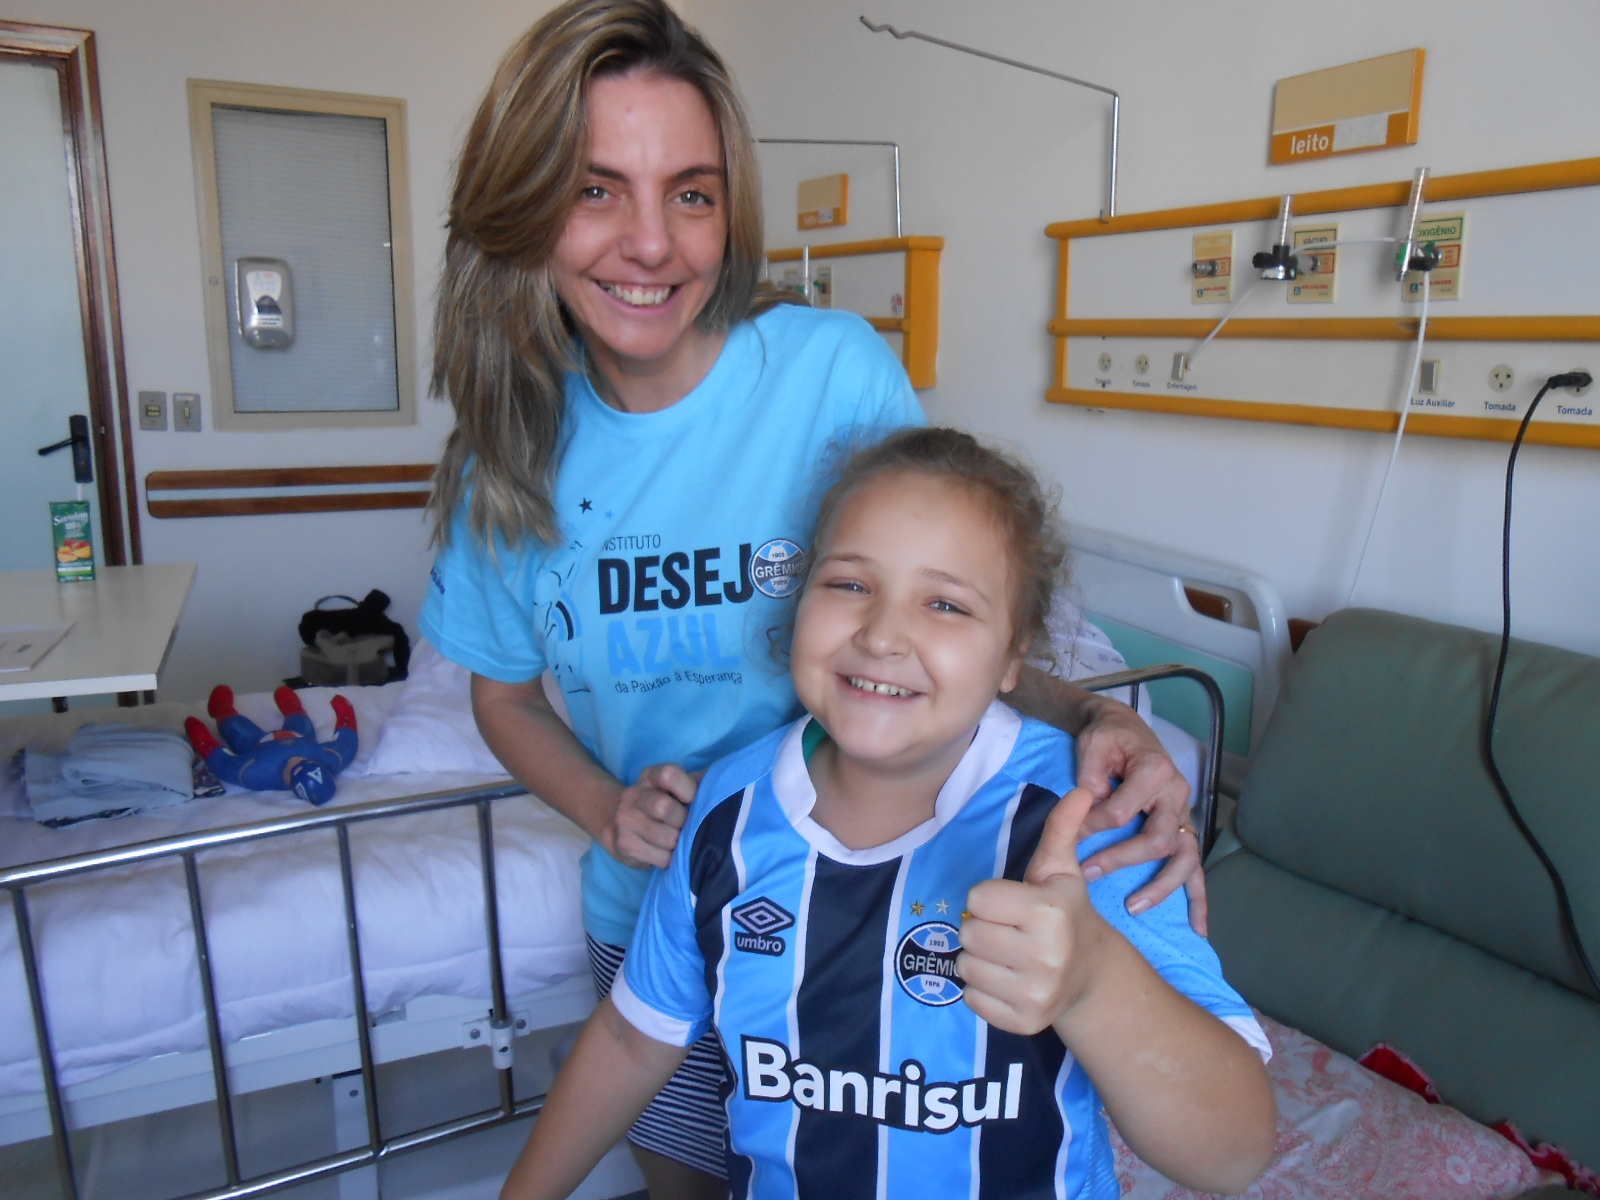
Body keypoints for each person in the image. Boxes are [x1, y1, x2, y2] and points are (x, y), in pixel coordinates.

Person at [421, 2, 1199, 1195]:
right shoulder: (507, 456)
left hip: (874, 899)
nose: (652, 243)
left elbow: (951, 611)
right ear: (523, 205)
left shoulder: (829, 375)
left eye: (690, 192)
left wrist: (1099, 718)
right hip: (660, 913)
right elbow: (503, 691)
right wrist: (601, 805)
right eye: (594, 190)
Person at [497, 427, 1277, 1200]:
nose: (882, 634)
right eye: (849, 585)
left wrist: (1092, 983)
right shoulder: (724, 816)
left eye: (944, 603)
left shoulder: (1085, 826)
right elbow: (634, 1041)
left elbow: (1232, 1152)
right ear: (797, 604)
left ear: (1014, 656)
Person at [184, 685, 358, 806]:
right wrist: (345, 711)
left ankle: (222, 711)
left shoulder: (256, 773)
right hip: (300, 736)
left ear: (291, 781)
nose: (299, 759)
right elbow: (347, 743)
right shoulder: (329, 759)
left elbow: (223, 763)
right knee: (300, 719)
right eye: (308, 761)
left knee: (235, 726)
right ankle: (292, 706)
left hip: (259, 744)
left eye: (297, 766)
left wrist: (202, 739)